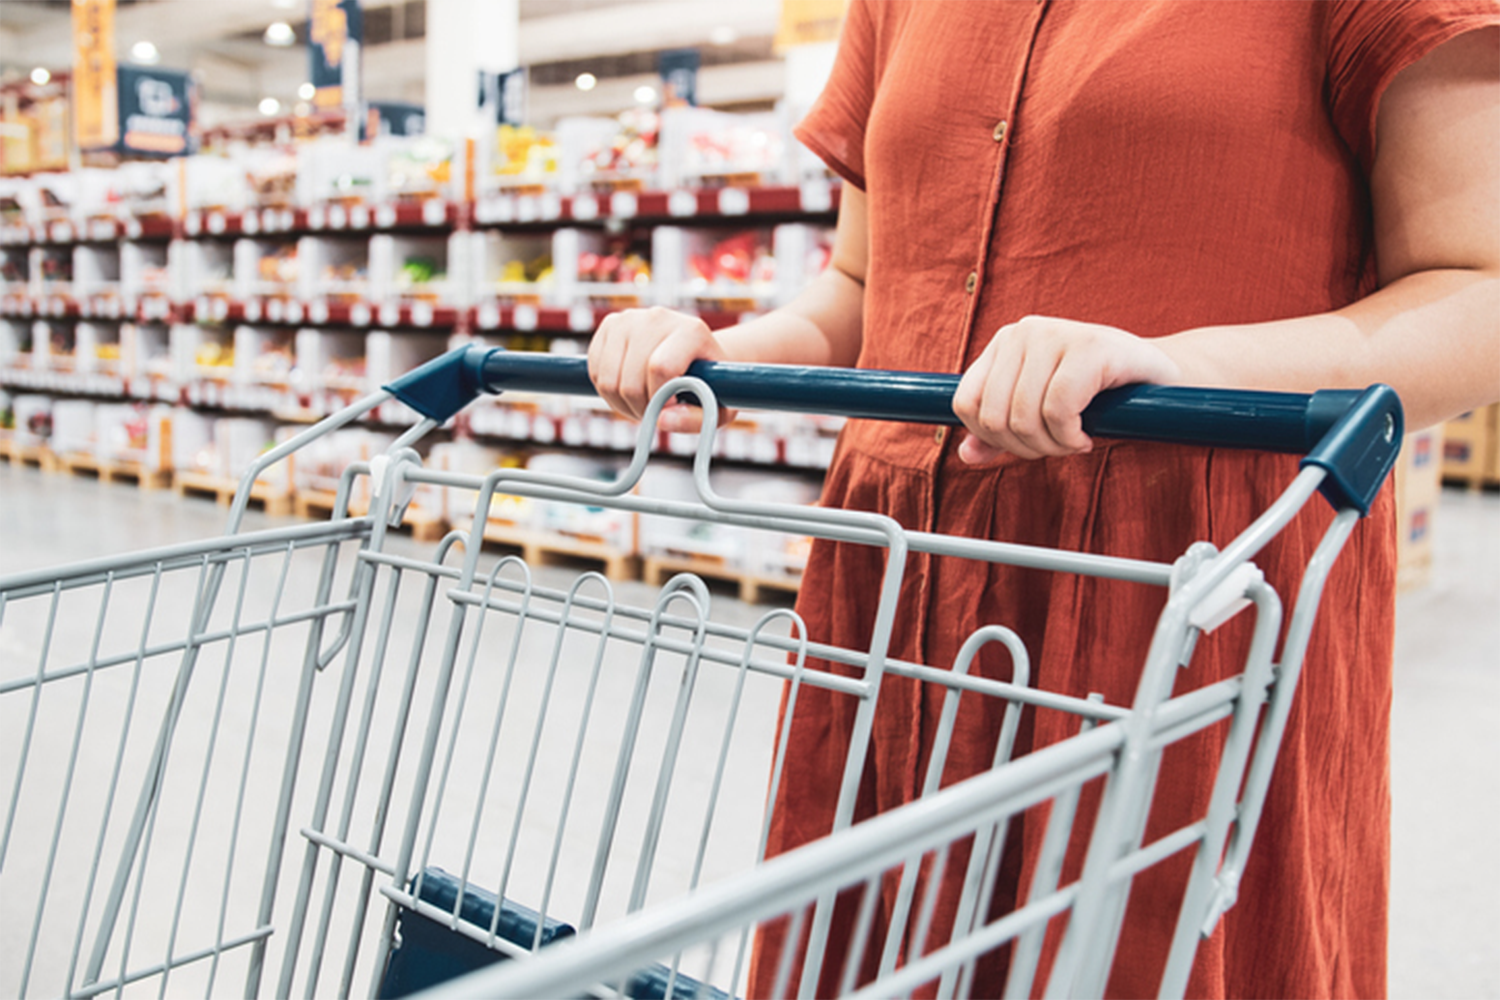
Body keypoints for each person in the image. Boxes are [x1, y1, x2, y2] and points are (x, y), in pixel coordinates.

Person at [588, 1, 1500, 996]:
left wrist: (1175, 369)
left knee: (1146, 954)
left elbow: (1478, 295)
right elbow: (862, 282)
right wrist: (721, 353)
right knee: (874, 953)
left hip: (1181, 594)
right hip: (894, 584)